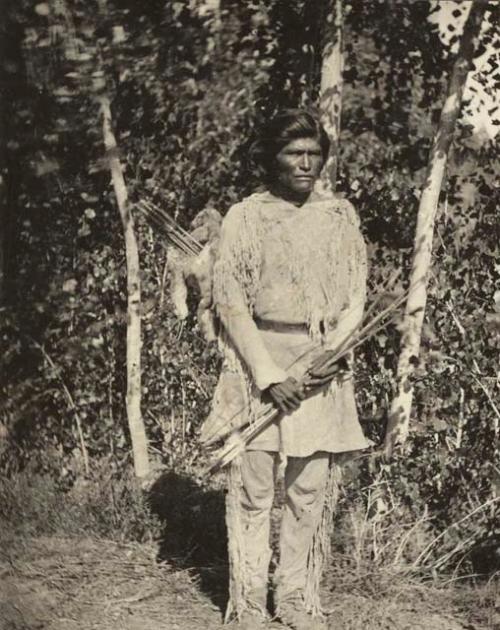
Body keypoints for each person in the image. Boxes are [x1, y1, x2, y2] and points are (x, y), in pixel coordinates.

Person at [200, 109, 370, 629]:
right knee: (254, 489)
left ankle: (295, 597)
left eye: (314, 155)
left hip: (320, 368)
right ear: (271, 159)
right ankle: (249, 601)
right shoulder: (245, 217)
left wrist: (324, 360)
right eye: (294, 154)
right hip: (258, 368)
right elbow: (230, 302)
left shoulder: (339, 217)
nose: (306, 164)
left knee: (307, 490)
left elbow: (355, 298)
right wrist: (271, 376)